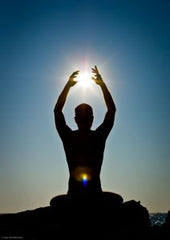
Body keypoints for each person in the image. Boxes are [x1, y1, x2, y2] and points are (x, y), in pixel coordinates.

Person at [53, 66, 117, 198]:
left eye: (86, 117)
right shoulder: (98, 137)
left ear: (75, 119)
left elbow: (57, 111)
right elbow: (111, 110)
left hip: (74, 196)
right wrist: (102, 85)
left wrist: (68, 86)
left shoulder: (69, 137)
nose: (85, 120)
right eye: (85, 117)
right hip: (94, 196)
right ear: (92, 119)